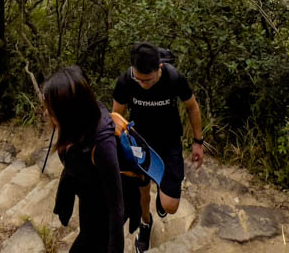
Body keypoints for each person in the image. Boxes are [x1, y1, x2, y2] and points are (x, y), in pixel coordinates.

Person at [112, 43, 204, 253]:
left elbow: (192, 106)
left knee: (170, 206)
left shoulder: (173, 78)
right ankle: (145, 223)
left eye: (148, 80)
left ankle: (162, 195)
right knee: (142, 192)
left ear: (159, 68)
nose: (143, 84)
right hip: (139, 143)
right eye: (139, 79)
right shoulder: (126, 81)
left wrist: (198, 142)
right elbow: (116, 117)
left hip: (169, 142)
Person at [45, 66, 125, 253]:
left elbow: (117, 208)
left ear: (67, 110)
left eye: (51, 108)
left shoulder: (103, 145)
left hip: (105, 212)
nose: (46, 113)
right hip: (88, 198)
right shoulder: (76, 126)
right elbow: (73, 161)